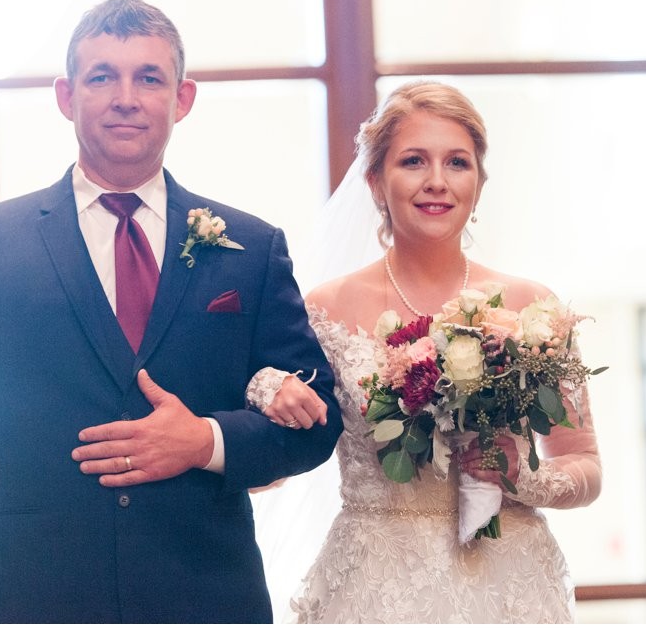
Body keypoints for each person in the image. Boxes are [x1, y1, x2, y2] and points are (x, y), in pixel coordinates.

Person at [0, 0, 342, 624]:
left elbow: (318, 420)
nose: (126, 97)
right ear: (66, 95)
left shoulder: (251, 248)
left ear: (183, 99)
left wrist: (206, 441)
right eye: (102, 76)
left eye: (149, 78)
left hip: (208, 596)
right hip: (35, 598)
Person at [256, 80, 602, 623]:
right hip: (376, 587)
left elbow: (585, 465)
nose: (437, 182)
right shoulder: (324, 309)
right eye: (414, 161)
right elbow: (269, 471)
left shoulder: (534, 307)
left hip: (506, 585)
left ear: (479, 182)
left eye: (457, 163)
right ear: (375, 180)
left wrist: (525, 479)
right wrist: (265, 395)